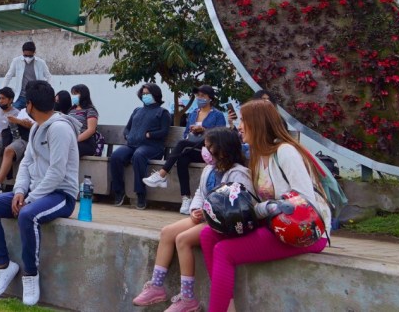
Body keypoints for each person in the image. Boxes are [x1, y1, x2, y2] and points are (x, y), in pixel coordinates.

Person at [200, 99, 331, 312]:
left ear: (258, 124)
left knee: (224, 251)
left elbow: (304, 201)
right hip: (276, 224)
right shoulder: (258, 156)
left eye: (244, 121)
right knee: (208, 235)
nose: (239, 127)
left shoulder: (286, 152)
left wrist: (263, 209)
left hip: (303, 231)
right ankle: (226, 306)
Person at [0, 80, 78, 306]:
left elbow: (57, 172)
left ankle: (30, 274)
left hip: (61, 195)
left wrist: (30, 199)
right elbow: (26, 163)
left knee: (27, 215)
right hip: (35, 191)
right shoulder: (35, 128)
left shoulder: (60, 128)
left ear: (30, 105)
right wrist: (20, 191)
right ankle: (4, 266)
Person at [132, 127, 250, 311]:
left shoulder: (238, 173)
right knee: (167, 232)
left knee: (183, 239)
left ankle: (187, 298)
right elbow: (200, 193)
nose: (205, 151)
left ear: (223, 149)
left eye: (209, 147)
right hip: (204, 217)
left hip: (221, 223)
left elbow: (239, 204)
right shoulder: (209, 169)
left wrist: (209, 212)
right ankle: (156, 286)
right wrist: (195, 209)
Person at [143, 84, 228, 213]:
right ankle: (186, 198)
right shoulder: (193, 113)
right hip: (193, 148)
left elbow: (221, 135)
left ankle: (162, 174)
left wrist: (204, 130)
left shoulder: (217, 115)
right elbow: (185, 134)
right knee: (182, 159)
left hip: (209, 151)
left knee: (182, 144)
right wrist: (191, 133)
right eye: (198, 95)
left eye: (203, 96)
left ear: (210, 98)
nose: (199, 98)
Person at [109, 83, 171, 209]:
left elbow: (164, 131)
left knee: (138, 155)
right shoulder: (137, 110)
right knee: (115, 156)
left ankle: (140, 193)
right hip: (132, 145)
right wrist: (127, 135)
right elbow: (127, 128)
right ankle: (119, 191)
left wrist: (150, 135)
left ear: (155, 95)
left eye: (148, 93)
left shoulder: (162, 112)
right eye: (143, 93)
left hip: (152, 147)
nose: (145, 96)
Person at [0, 101, 34, 193]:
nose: (1, 101)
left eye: (28, 103)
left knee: (9, 150)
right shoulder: (22, 111)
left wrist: (18, 121)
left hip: (24, 138)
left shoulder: (20, 112)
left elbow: (34, 126)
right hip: (8, 135)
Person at [1, 41, 52, 110]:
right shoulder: (16, 61)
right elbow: (8, 76)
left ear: (34, 53)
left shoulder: (40, 63)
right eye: (25, 55)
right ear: (23, 52)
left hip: (35, 97)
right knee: (15, 114)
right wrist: (2, 91)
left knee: (35, 115)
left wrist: (49, 91)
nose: (28, 58)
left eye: (30, 56)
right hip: (20, 97)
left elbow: (49, 76)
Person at [68, 84, 102, 157]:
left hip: (85, 142)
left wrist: (75, 140)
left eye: (76, 94)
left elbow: (91, 130)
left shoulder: (90, 110)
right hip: (71, 140)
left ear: (83, 95)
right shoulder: (71, 110)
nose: (73, 96)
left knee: (69, 149)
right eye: (73, 94)